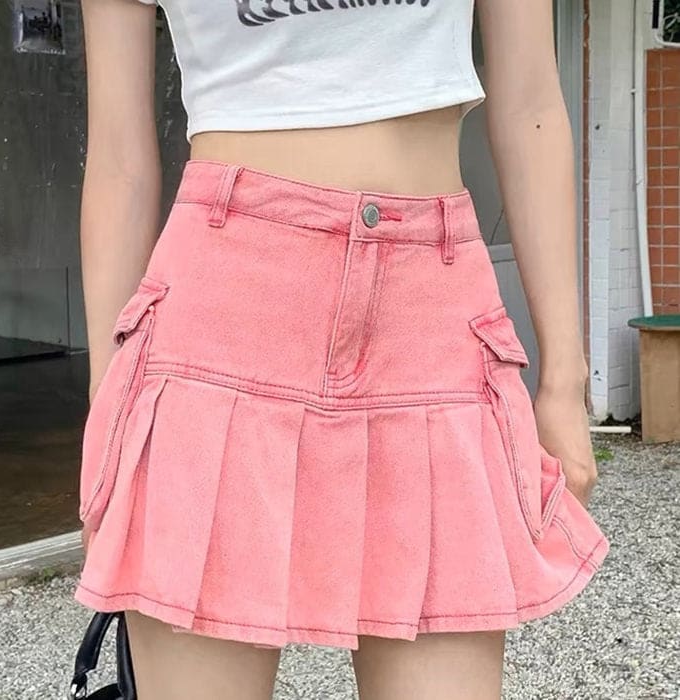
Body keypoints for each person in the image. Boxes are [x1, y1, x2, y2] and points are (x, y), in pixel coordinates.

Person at [74, 0, 610, 698]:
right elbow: (119, 159)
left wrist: (564, 379)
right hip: (222, 312)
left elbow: (531, 101)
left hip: (429, 315)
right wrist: (108, 415)